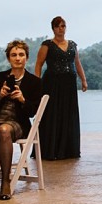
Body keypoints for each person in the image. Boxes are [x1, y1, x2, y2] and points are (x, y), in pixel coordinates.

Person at [0, 40, 43, 200]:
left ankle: (5, 181)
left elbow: (33, 112)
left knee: (3, 130)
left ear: (26, 57)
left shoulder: (34, 82)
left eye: (21, 55)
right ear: (8, 58)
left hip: (17, 121)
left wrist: (23, 99)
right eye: (14, 55)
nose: (17, 58)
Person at [34, 17, 88, 160]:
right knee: (52, 114)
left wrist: (83, 80)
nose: (61, 29)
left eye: (63, 26)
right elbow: (39, 64)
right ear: (53, 28)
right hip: (52, 83)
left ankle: (68, 150)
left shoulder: (72, 45)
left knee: (68, 114)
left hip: (69, 84)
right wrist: (36, 84)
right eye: (58, 26)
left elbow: (77, 63)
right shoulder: (47, 45)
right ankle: (50, 150)